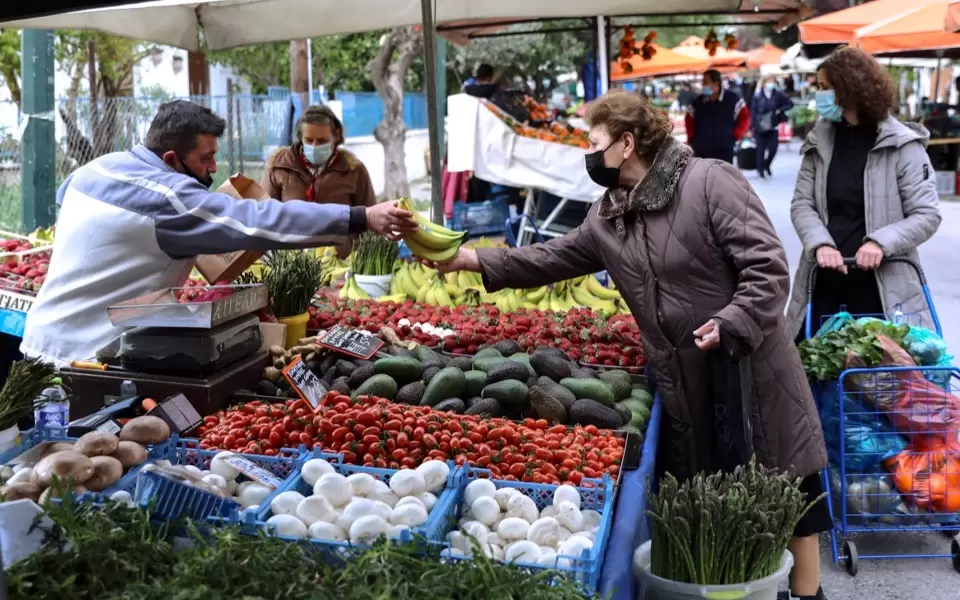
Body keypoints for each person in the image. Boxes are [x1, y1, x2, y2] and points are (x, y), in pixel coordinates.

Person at [428, 90, 829, 600]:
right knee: (726, 508)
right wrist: (473, 261)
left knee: (784, 491)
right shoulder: (607, 215)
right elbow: (553, 257)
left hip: (749, 370)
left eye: (593, 142)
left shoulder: (709, 182)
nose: (587, 154)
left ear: (625, 143)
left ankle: (807, 594)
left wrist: (732, 321)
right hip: (682, 378)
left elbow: (768, 268)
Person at [21, 100, 416, 367]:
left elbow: (70, 206)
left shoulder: (96, 169)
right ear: (172, 159)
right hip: (84, 355)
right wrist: (361, 217)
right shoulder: (169, 197)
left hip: (40, 339)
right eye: (206, 158)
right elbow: (264, 220)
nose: (213, 169)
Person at [787, 47, 941, 340]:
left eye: (824, 88)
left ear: (847, 89)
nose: (818, 95)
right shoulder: (819, 141)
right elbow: (801, 204)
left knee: (880, 377)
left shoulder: (903, 146)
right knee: (811, 372)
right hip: (823, 282)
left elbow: (927, 214)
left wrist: (880, 243)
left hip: (884, 289)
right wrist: (820, 245)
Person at [261, 105, 377, 258]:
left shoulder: (354, 170)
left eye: (322, 141)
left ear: (336, 136)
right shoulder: (279, 166)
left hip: (341, 264)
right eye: (309, 140)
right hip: (290, 264)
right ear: (300, 138)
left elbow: (371, 221)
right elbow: (262, 217)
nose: (314, 147)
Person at [685, 69, 751, 163]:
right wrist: (691, 139)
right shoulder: (697, 102)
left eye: (705, 82)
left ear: (716, 84)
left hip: (724, 150)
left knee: (724, 176)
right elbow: (689, 120)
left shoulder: (732, 99)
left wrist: (736, 135)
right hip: (701, 152)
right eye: (703, 82)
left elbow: (745, 118)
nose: (703, 85)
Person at [751, 77, 794, 178]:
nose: (771, 83)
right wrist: (751, 126)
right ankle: (760, 170)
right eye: (769, 81)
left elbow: (790, 103)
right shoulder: (757, 95)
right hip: (760, 126)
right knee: (760, 150)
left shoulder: (778, 94)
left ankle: (767, 165)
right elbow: (753, 111)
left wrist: (780, 110)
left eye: (772, 81)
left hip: (773, 125)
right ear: (764, 83)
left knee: (773, 149)